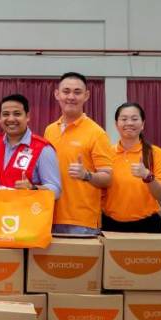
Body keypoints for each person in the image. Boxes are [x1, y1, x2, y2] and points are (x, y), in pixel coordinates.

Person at [44, 72, 114, 235]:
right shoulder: (49, 130)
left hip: (83, 223)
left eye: (77, 92)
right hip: (49, 217)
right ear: (57, 94)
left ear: (86, 96)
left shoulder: (96, 133)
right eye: (66, 91)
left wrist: (87, 175)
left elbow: (108, 178)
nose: (71, 96)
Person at [102, 102, 161, 233]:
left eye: (134, 119)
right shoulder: (106, 154)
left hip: (147, 225)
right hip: (110, 225)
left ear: (142, 124)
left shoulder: (155, 153)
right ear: (116, 124)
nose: (129, 123)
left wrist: (147, 176)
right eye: (124, 119)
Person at [0, 93, 61, 199]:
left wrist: (33, 188)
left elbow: (56, 190)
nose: (11, 119)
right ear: (0, 118)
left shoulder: (43, 149)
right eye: (6, 114)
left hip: (26, 213)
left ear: (27, 117)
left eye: (17, 114)